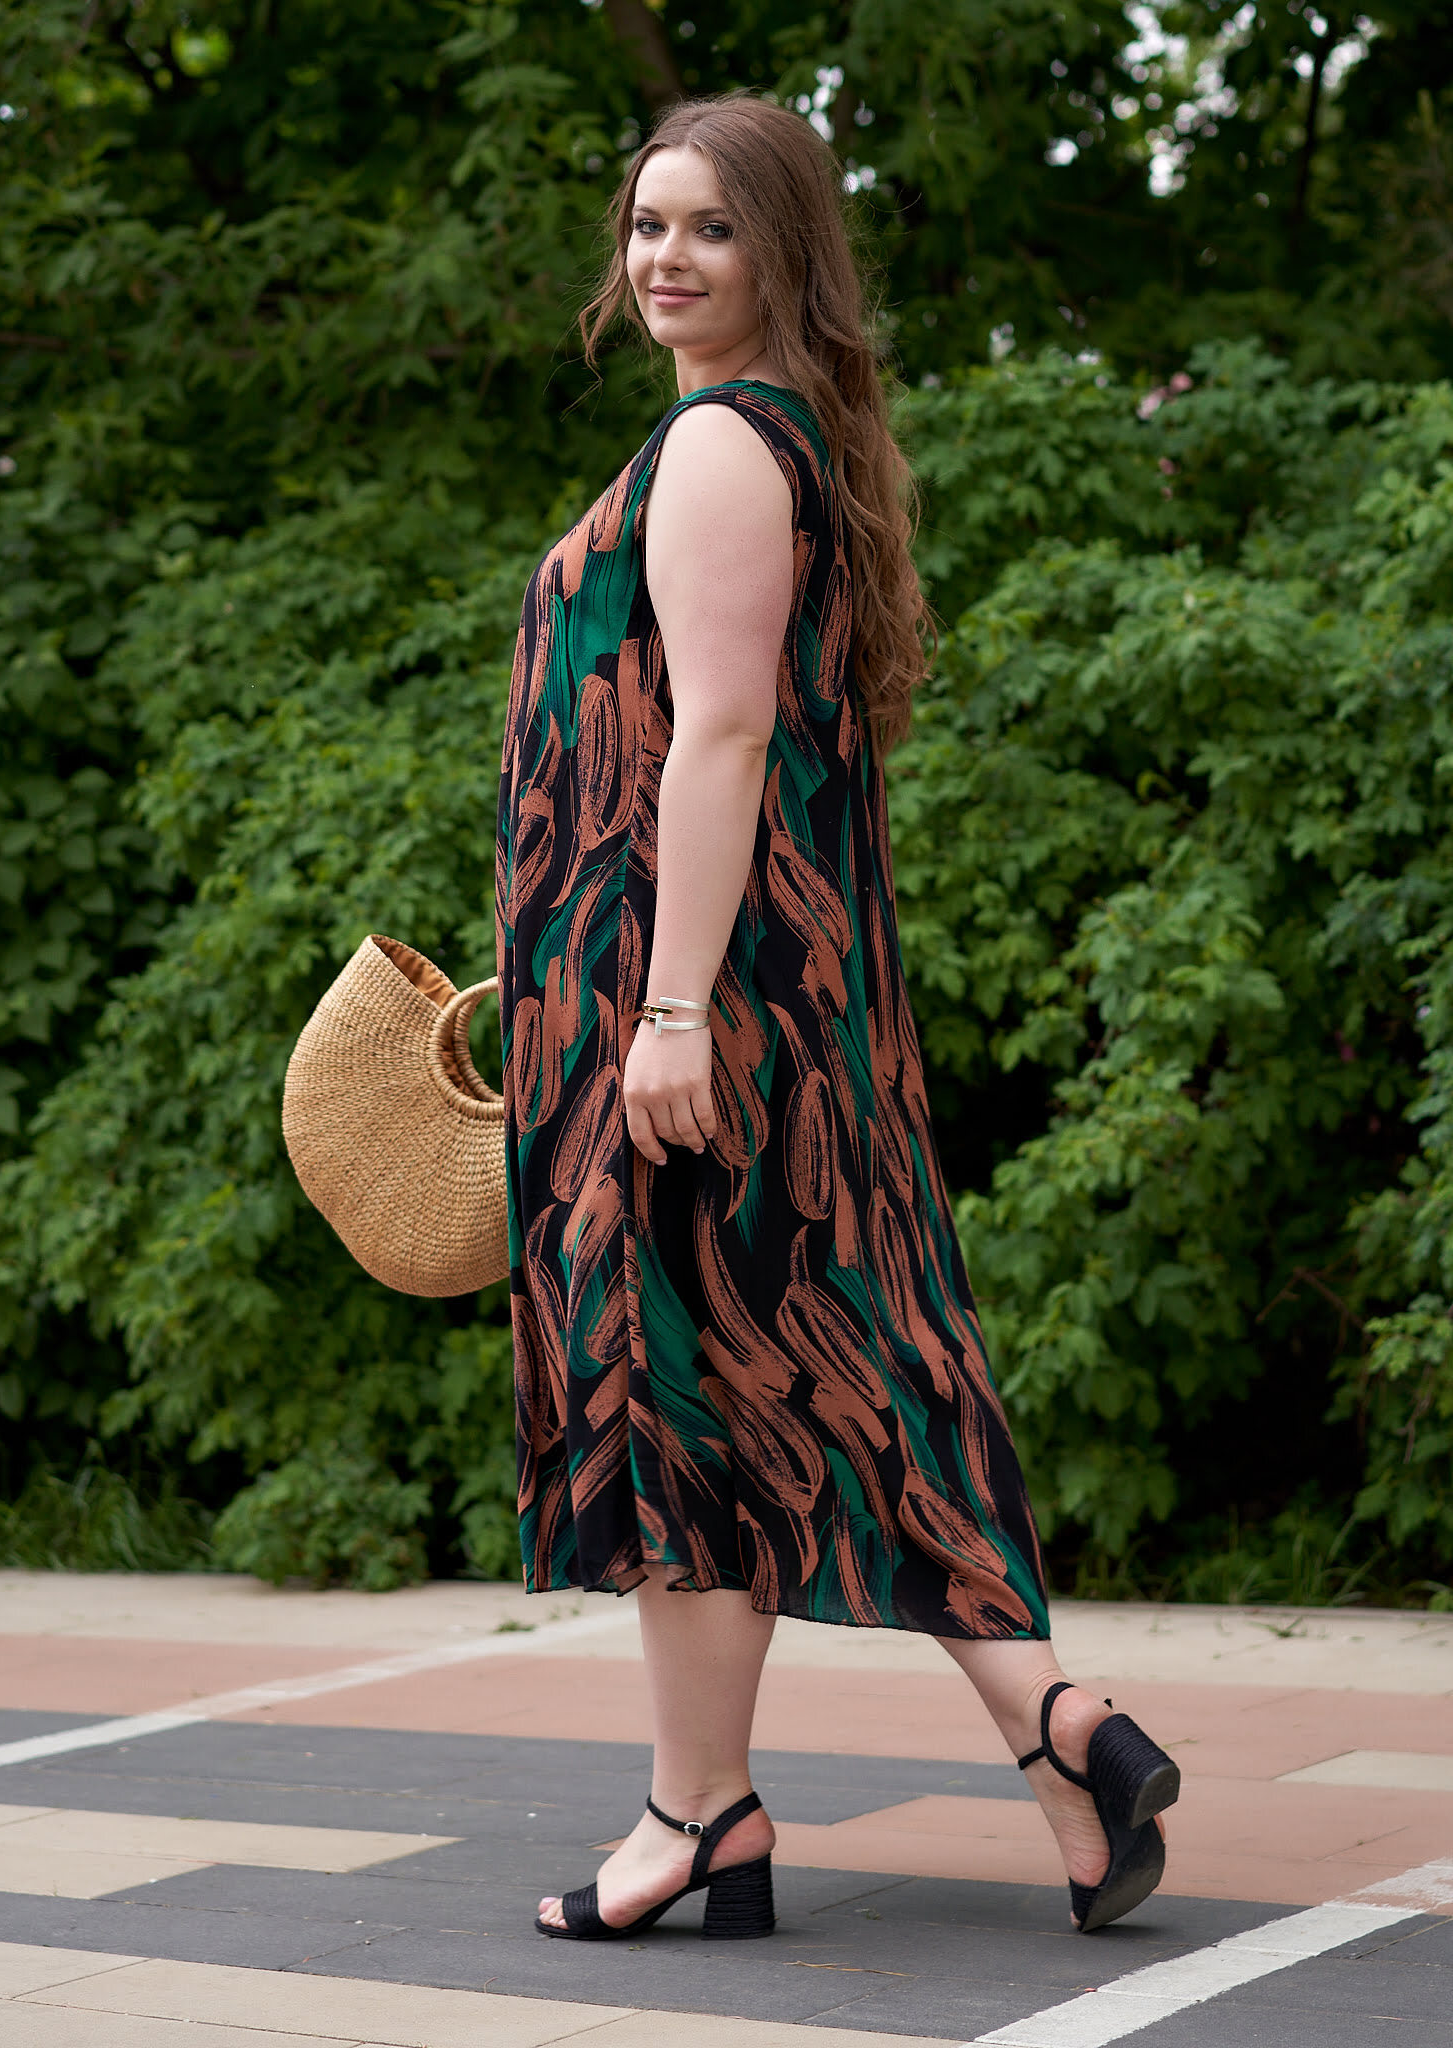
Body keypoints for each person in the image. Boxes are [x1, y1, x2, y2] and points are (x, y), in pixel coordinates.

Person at [495, 90, 1179, 1946]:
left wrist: (666, 1012)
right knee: (819, 1365)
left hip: (696, 1003)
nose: (665, 256)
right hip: (739, 992)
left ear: (784, 252)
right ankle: (1055, 1732)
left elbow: (719, 736)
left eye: (711, 227)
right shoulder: (774, 436)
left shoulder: (724, 445)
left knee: (679, 1390)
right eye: (648, 222)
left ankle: (700, 1814)